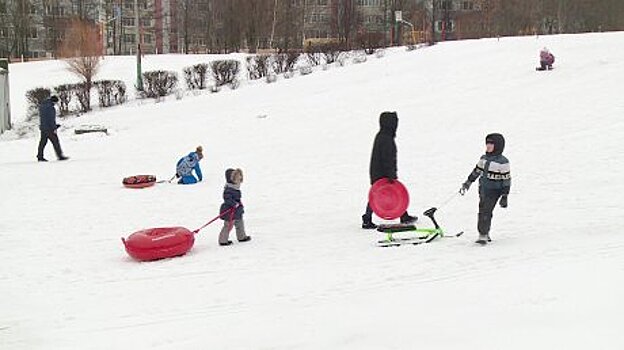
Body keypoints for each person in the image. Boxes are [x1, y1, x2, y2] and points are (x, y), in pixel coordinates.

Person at [362, 112, 416, 229]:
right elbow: (388, 159)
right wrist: (391, 175)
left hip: (378, 172)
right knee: (381, 194)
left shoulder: (383, 136)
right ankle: (367, 219)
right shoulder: (386, 139)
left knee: (380, 193)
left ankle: (403, 215)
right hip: (382, 173)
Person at [459, 133, 511, 244]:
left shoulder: (503, 162)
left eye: (491, 144)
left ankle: (482, 234)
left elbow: (506, 179)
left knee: (485, 211)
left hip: (495, 191)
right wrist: (468, 183)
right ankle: (485, 232)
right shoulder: (483, 159)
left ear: (498, 146)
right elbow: (476, 171)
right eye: (487, 143)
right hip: (483, 189)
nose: (488, 146)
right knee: (482, 210)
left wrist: (505, 195)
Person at [218, 168, 251, 246]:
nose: (239, 178)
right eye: (237, 177)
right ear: (231, 179)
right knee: (228, 225)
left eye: (240, 177)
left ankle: (241, 237)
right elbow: (227, 199)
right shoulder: (228, 189)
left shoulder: (235, 187)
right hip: (230, 211)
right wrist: (234, 204)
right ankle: (223, 240)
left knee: (240, 223)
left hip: (237, 211)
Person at [37, 95, 68, 162]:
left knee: (42, 142)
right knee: (55, 142)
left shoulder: (42, 106)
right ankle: (60, 156)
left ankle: (40, 156)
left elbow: (44, 118)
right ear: (54, 101)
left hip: (43, 127)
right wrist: (54, 127)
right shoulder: (50, 108)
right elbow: (51, 119)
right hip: (49, 128)